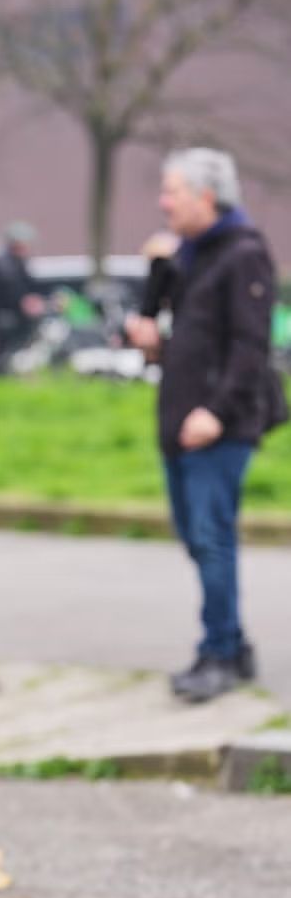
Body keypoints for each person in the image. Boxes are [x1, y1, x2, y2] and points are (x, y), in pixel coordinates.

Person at [125, 148, 285, 704]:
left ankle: (220, 653)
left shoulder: (243, 255)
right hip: (182, 420)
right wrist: (155, 345)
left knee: (212, 539)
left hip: (221, 424)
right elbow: (192, 344)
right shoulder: (192, 255)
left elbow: (251, 347)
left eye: (172, 192)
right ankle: (232, 645)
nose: (162, 203)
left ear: (206, 197)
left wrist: (215, 413)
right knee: (199, 538)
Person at [0, 219, 45, 371]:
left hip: (2, 311)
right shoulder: (2, 262)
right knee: (1, 348)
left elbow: (29, 284)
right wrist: (25, 301)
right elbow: (10, 287)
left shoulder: (17, 261)